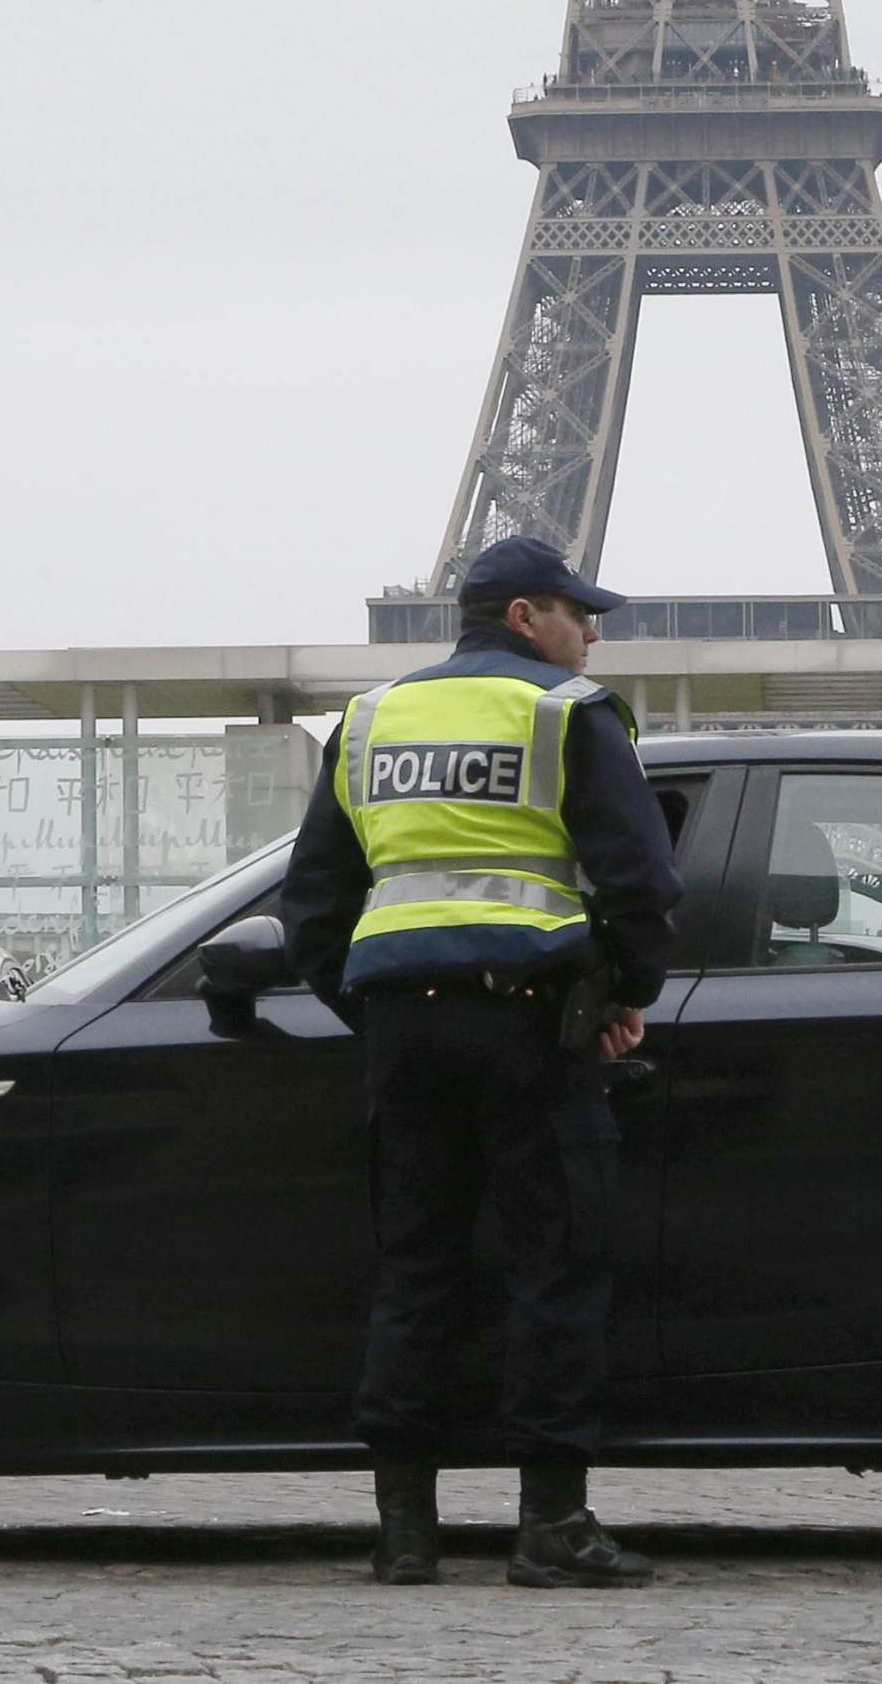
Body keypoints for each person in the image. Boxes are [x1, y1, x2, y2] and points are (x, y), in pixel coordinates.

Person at [279, 535, 682, 1589]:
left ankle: (404, 1530)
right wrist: (621, 995)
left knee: (416, 1272)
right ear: (521, 616)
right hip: (531, 1026)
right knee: (554, 1268)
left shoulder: (371, 720)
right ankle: (550, 1522)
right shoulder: (565, 713)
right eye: (577, 612)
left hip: (405, 1035)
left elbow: (314, 903)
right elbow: (642, 879)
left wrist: (370, 1015)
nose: (591, 632)